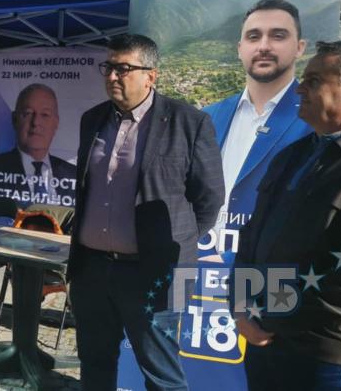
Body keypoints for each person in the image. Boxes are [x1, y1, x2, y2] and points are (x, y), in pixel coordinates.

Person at [233, 41, 341, 391]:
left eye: (314, 80)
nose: (299, 88)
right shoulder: (295, 155)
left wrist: (268, 316)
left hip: (327, 358)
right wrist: (242, 306)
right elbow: (252, 237)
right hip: (266, 342)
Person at [66, 34, 224, 390]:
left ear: (151, 75)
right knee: (94, 364)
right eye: (108, 67)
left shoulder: (189, 123)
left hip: (156, 273)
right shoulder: (92, 119)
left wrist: (171, 243)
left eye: (123, 68)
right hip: (92, 270)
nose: (112, 76)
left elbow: (210, 199)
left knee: (162, 374)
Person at [200, 0, 313, 263]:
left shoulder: (316, 122)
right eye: (253, 36)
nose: (263, 46)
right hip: (199, 268)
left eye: (278, 36)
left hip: (271, 276)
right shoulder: (208, 117)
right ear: (240, 49)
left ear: (299, 48)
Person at [0, 83, 77, 206]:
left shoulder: (73, 175)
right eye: (28, 113)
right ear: (14, 119)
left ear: (56, 123)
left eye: (45, 115)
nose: (36, 122)